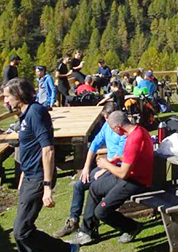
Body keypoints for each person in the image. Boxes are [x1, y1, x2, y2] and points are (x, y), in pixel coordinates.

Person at [2, 78, 79, 252]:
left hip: (38, 178)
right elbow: (30, 148)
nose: (5, 102)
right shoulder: (25, 115)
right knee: (22, 228)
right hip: (29, 177)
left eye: (7, 97)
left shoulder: (36, 112)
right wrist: (22, 176)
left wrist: (47, 187)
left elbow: (48, 149)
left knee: (21, 230)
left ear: (18, 95)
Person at [69, 111, 153, 245]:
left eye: (112, 129)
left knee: (101, 212)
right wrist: (118, 159)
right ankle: (87, 232)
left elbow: (123, 173)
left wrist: (106, 165)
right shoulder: (138, 130)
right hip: (129, 175)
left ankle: (132, 227)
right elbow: (135, 158)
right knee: (95, 187)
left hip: (135, 181)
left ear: (117, 128)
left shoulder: (133, 139)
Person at [54, 102, 127, 238]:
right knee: (79, 185)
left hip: (115, 168)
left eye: (108, 118)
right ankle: (73, 220)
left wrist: (104, 169)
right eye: (105, 118)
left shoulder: (123, 132)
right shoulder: (107, 126)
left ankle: (90, 227)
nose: (106, 121)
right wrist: (86, 167)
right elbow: (94, 145)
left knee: (95, 187)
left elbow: (120, 156)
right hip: (105, 166)